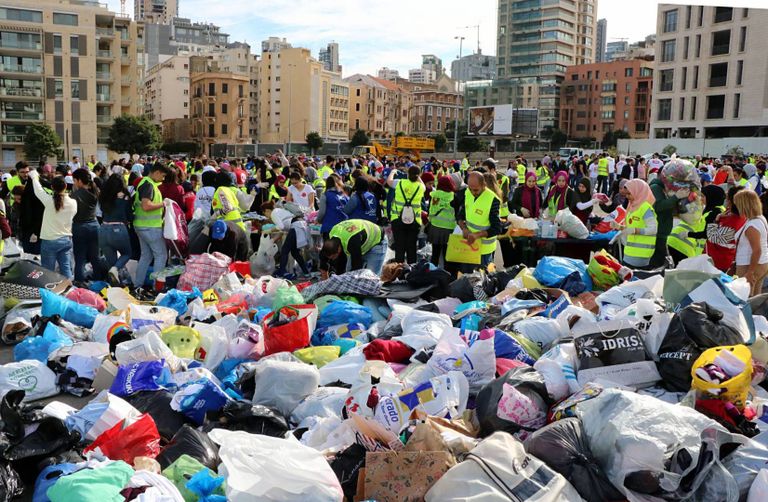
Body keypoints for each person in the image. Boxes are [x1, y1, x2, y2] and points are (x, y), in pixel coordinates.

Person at [29, 171, 76, 279]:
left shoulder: (49, 201)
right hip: (66, 239)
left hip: (49, 240)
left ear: (52, 187)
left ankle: (49, 293)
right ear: (65, 186)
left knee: (47, 272)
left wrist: (34, 177)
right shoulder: (73, 202)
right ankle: (69, 291)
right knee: (66, 268)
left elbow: (38, 190)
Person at [133, 163, 169, 288]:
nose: (163, 179)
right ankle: (157, 287)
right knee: (161, 255)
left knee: (146, 256)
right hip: (150, 227)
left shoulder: (146, 183)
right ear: (157, 172)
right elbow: (146, 205)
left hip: (141, 226)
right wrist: (163, 204)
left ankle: (138, 285)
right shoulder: (148, 185)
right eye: (163, 176)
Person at [457, 171, 501, 268]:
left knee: (482, 281)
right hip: (468, 247)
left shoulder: (492, 200)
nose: (473, 193)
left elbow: (497, 228)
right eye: (470, 189)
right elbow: (460, 216)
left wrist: (477, 235)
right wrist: (464, 228)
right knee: (467, 278)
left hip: (484, 252)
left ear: (484, 185)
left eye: (476, 190)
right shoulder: (467, 193)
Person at [320, 219, 388, 277]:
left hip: (377, 241)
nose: (332, 259)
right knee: (348, 274)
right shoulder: (331, 236)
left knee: (371, 278)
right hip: (362, 241)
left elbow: (357, 267)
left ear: (338, 249)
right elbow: (323, 260)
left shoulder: (351, 241)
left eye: (333, 257)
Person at [99, 173, 134, 285]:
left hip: (103, 229)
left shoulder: (104, 195)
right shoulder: (125, 196)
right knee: (127, 254)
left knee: (112, 263)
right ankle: (117, 274)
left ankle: (116, 287)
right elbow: (129, 215)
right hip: (118, 228)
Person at [732, 190, 768, 296]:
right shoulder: (759, 219)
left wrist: (750, 272)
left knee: (744, 299)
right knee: (755, 299)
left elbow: (757, 250)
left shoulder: (752, 225)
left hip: (749, 265)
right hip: (761, 264)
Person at [388, 166, 424, 264]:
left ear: (408, 174)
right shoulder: (420, 186)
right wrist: (418, 176)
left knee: (399, 247)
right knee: (412, 247)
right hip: (414, 221)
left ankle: (398, 271)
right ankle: (411, 271)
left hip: (397, 219)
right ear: (419, 175)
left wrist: (392, 172)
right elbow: (422, 184)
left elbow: (389, 182)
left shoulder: (399, 183)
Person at [70, 169, 102, 282]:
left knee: (80, 258)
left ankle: (79, 282)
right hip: (94, 226)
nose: (74, 183)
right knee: (95, 256)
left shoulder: (74, 195)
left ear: (79, 180)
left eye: (74, 180)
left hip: (79, 227)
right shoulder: (95, 192)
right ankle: (99, 281)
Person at [620, 179, 658, 269]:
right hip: (629, 252)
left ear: (638, 192)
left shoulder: (645, 208)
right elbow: (630, 226)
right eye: (626, 194)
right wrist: (620, 227)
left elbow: (653, 229)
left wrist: (636, 230)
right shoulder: (632, 206)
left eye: (629, 194)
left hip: (641, 255)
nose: (627, 197)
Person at [707, 186, 746, 272]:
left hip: (720, 264)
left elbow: (711, 237)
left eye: (728, 198)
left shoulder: (736, 222)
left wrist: (715, 220)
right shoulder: (730, 213)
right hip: (714, 260)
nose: (726, 200)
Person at [427, 175, 456, 266]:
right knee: (447, 256)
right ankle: (447, 276)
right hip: (449, 229)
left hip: (435, 227)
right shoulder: (453, 196)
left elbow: (431, 211)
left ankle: (433, 274)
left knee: (435, 254)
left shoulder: (435, 196)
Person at [318, 174, 348, 239]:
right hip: (344, 227)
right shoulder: (344, 195)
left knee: (329, 248)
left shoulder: (325, 195)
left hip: (329, 227)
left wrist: (318, 220)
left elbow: (322, 212)